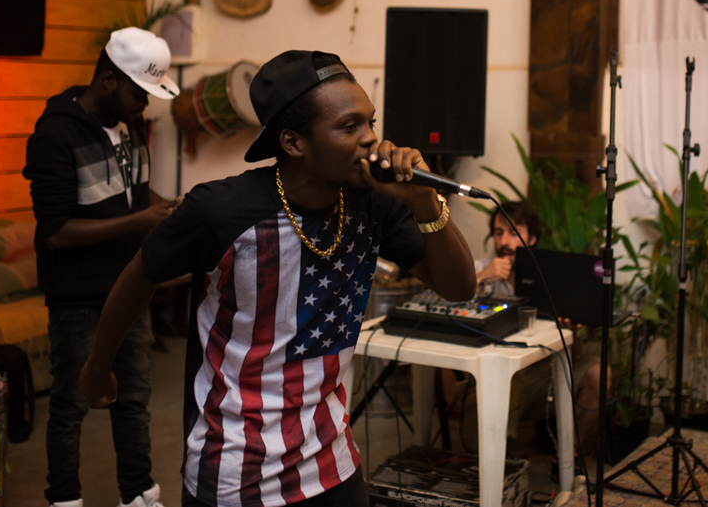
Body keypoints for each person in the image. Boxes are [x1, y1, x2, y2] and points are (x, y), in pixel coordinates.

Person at [78, 50, 476, 507]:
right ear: (293, 143)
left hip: (331, 463)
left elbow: (459, 288)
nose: (371, 139)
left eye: (370, 122)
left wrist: (424, 202)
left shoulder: (374, 204)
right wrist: (98, 368)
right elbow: (138, 278)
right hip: (235, 468)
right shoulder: (222, 210)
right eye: (349, 127)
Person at [24, 27, 180, 507]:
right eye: (140, 93)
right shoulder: (54, 135)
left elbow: (134, 195)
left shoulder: (131, 125)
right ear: (110, 81)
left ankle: (137, 494)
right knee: (72, 403)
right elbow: (56, 232)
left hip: (130, 286)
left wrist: (173, 208)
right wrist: (140, 220)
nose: (145, 104)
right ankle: (64, 499)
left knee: (133, 398)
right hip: (77, 296)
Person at [461, 201, 610, 459]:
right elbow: (443, 305)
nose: (504, 241)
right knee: (477, 444)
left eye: (513, 232)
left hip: (544, 374)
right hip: (499, 374)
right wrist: (483, 277)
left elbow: (573, 354)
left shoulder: (550, 277)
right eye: (499, 233)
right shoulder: (477, 270)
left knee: (599, 373)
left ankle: (567, 458)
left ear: (531, 238)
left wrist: (567, 330)